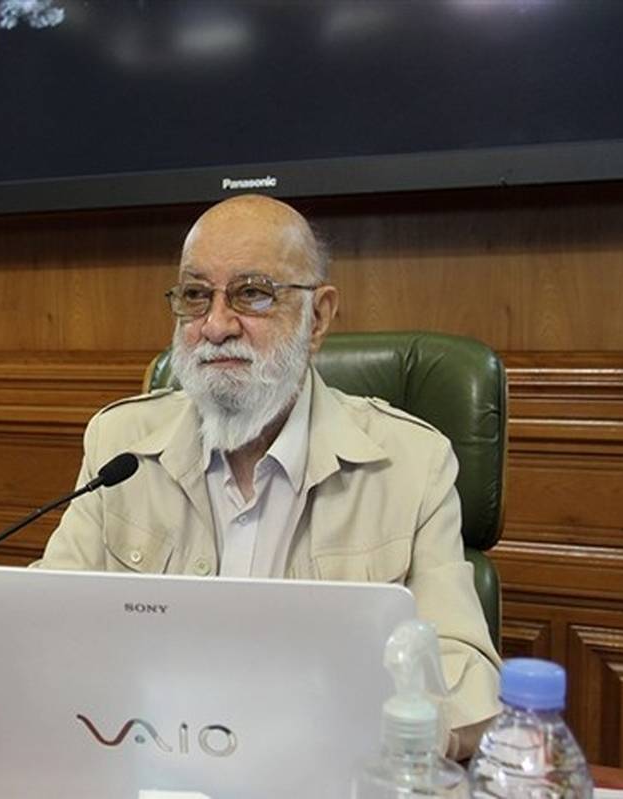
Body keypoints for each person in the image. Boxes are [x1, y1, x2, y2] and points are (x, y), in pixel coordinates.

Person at [35, 194, 501, 759]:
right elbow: (44, 626)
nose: (216, 326)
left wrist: (363, 735)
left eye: (252, 293)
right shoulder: (120, 447)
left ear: (318, 317)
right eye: (195, 295)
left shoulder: (410, 464)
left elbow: (465, 678)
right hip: (151, 760)